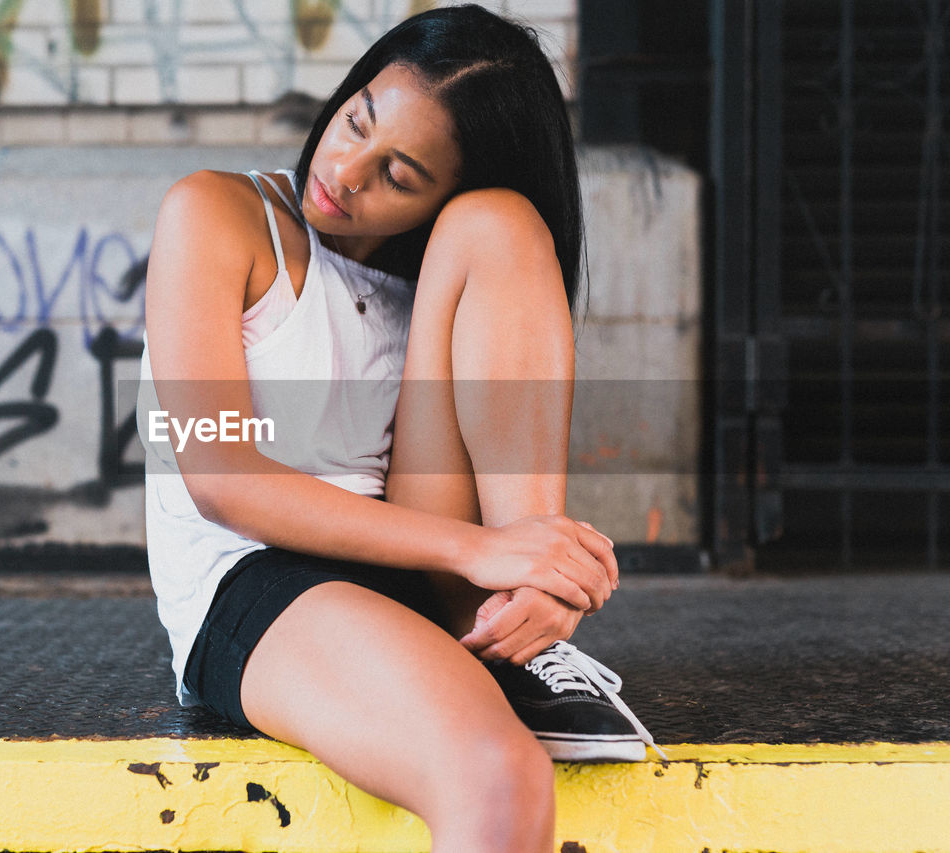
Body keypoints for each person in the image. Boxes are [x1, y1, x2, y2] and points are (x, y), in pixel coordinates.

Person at [136, 5, 662, 850]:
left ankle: (521, 623)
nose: (344, 171)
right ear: (349, 89)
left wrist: (528, 562)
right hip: (257, 582)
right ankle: (513, 591)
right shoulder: (217, 214)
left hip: (421, 569)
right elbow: (221, 476)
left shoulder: (447, 258)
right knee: (499, 774)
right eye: (356, 120)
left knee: (507, 224)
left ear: (442, 194)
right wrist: (475, 550)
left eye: (400, 175)